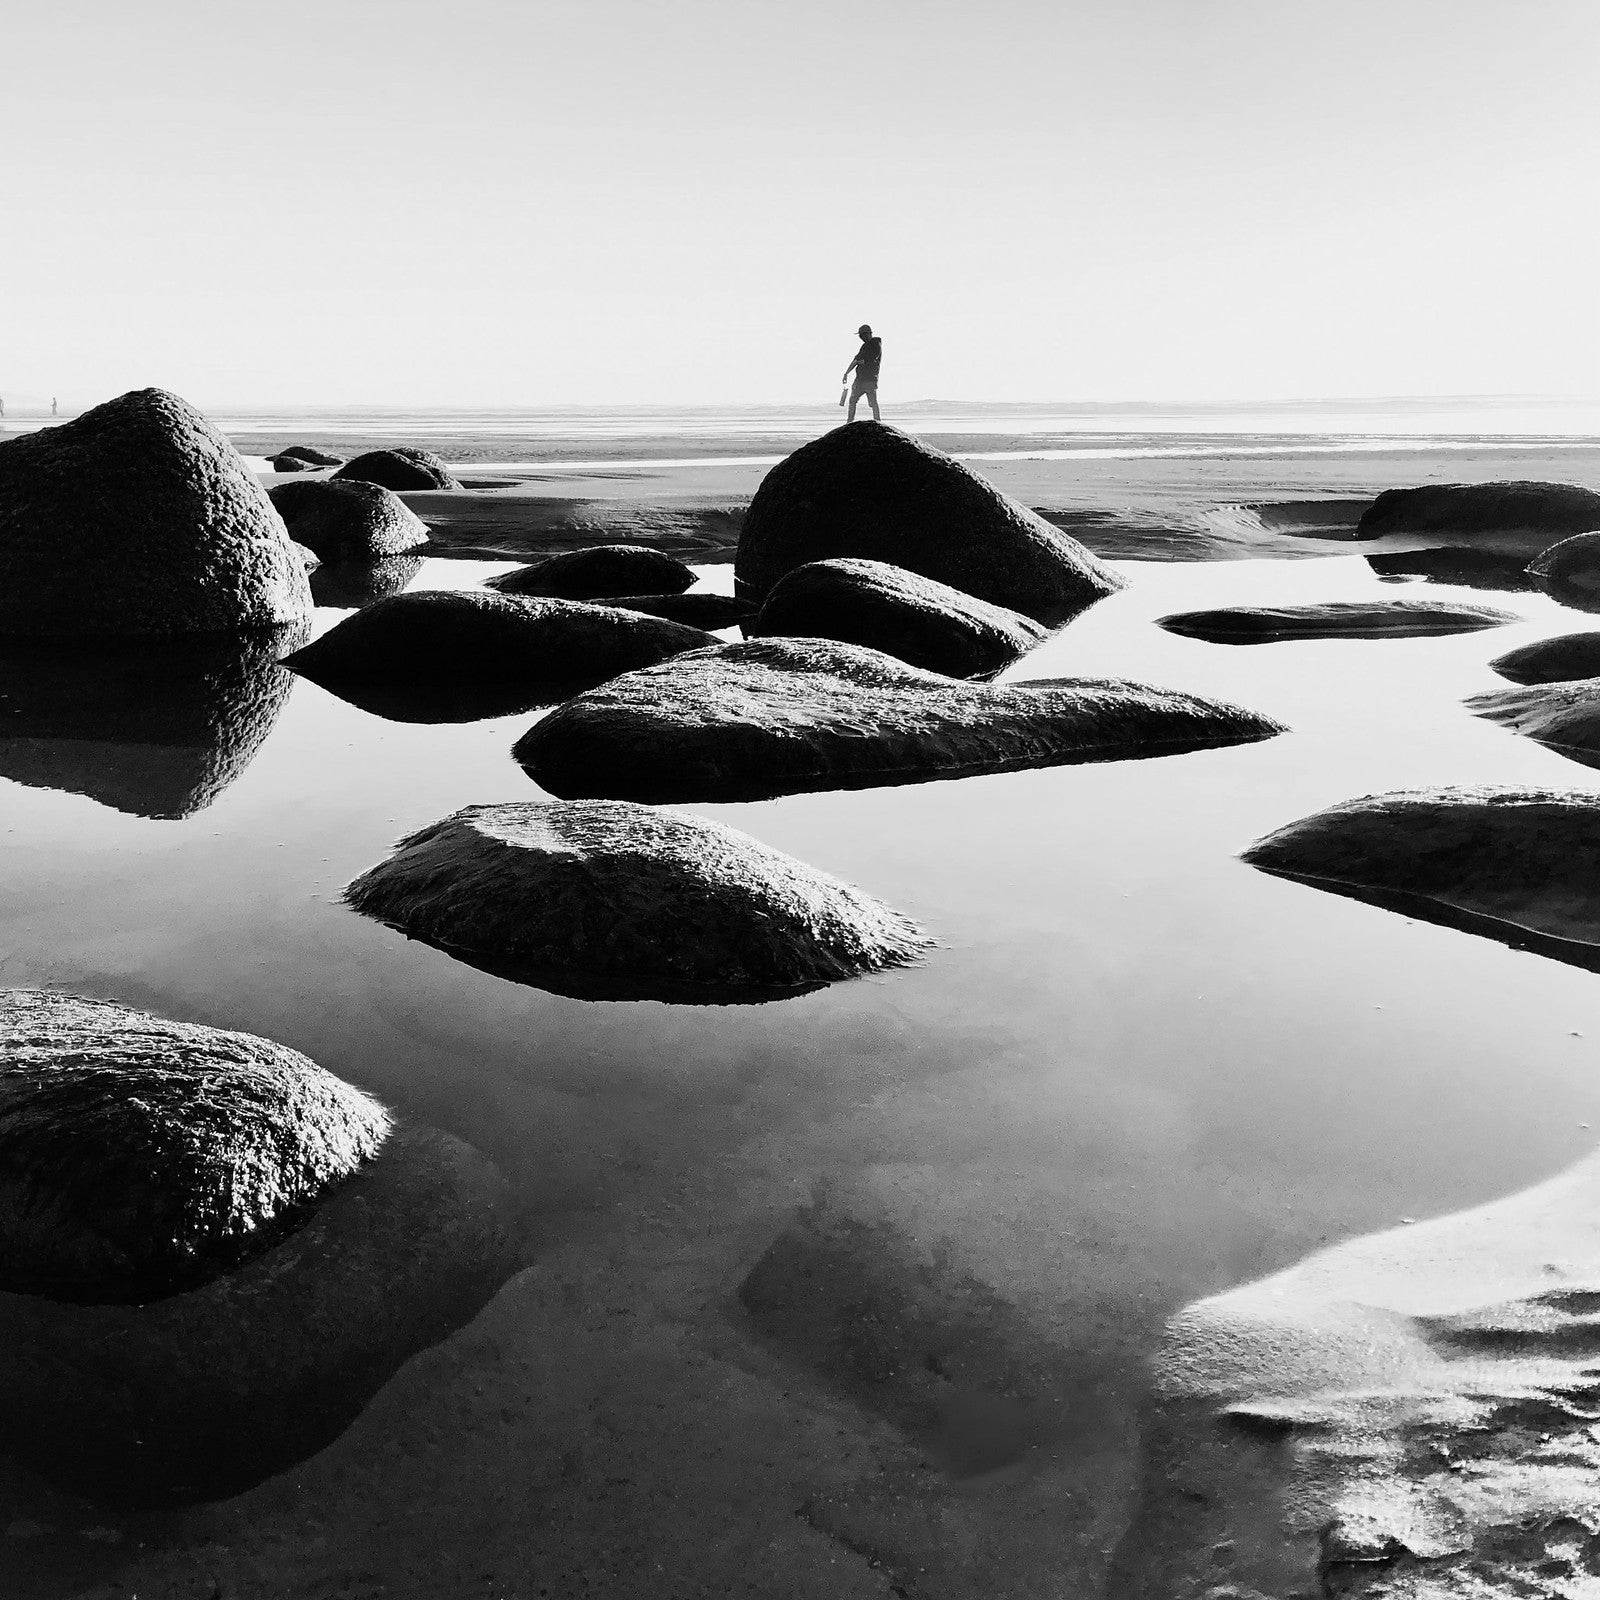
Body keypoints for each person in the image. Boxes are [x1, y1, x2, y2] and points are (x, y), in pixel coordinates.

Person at [840, 324, 882, 422]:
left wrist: (863, 361)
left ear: (867, 334)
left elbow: (872, 358)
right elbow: (856, 360)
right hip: (860, 379)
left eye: (862, 335)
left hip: (870, 378)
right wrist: (846, 373)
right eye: (860, 336)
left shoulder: (876, 344)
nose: (861, 338)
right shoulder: (864, 346)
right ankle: (849, 421)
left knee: (872, 402)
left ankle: (878, 421)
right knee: (852, 400)